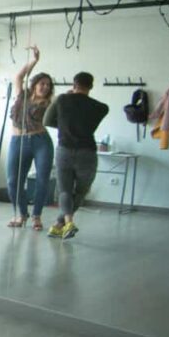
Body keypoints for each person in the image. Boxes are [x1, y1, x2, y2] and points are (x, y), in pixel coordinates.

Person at [43, 72, 109, 239]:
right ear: (91, 86)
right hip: (87, 152)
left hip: (64, 150)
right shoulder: (101, 108)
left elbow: (46, 121)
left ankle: (63, 223)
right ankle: (66, 223)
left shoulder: (62, 100)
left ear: (74, 84)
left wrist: (65, 126)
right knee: (80, 192)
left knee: (64, 190)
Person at [5, 46, 55, 231]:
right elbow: (18, 77)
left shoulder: (49, 103)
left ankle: (36, 216)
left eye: (48, 85)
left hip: (40, 141)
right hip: (18, 141)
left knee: (42, 179)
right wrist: (34, 61)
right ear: (34, 85)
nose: (45, 87)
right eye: (42, 84)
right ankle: (21, 214)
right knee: (12, 180)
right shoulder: (22, 95)